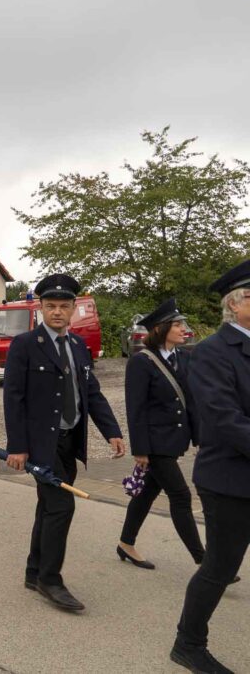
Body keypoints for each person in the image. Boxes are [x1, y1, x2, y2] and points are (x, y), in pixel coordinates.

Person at [3, 274, 123, 612]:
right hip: (41, 444)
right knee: (61, 506)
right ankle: (50, 579)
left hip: (70, 441)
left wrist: (111, 430)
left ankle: (33, 570)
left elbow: (92, 393)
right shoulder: (24, 345)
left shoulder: (78, 346)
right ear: (40, 308)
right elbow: (14, 399)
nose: (57, 311)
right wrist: (17, 446)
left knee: (48, 505)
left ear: (73, 309)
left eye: (64, 306)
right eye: (50, 306)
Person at [171, 261, 250, 674]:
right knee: (220, 568)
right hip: (231, 481)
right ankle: (188, 644)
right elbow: (223, 419)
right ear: (233, 305)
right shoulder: (211, 352)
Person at [117, 298, 203, 570]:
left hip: (173, 441)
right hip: (154, 444)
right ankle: (206, 561)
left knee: (147, 494)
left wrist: (200, 439)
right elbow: (136, 409)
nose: (183, 329)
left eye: (182, 324)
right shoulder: (141, 363)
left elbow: (191, 401)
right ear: (160, 329)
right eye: (177, 324)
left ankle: (125, 543)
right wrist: (140, 449)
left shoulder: (183, 358)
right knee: (180, 495)